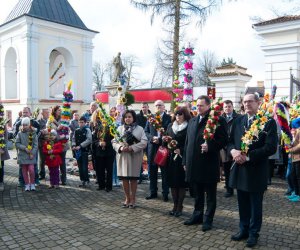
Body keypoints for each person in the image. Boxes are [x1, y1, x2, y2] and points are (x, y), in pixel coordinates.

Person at [228, 93, 277, 248]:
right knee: (242, 203)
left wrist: (248, 157)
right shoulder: (238, 121)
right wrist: (233, 152)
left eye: (250, 101)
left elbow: (270, 147)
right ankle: (243, 229)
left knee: (255, 205)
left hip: (256, 170)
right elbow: (229, 142)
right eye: (245, 101)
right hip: (240, 169)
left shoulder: (268, 122)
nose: (247, 104)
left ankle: (253, 233)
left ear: (258, 103)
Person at [182, 95, 227, 232]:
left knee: (210, 195)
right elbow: (187, 142)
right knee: (197, 193)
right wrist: (185, 160)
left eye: (201, 105)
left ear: (208, 106)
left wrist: (211, 146)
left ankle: (208, 219)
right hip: (193, 164)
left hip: (208, 165)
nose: (198, 107)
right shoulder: (193, 120)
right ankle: (197, 215)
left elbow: (224, 140)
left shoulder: (217, 120)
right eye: (197, 105)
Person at [112, 110, 147, 208]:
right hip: (123, 156)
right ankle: (127, 198)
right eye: (126, 117)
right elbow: (114, 141)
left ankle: (133, 199)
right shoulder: (119, 129)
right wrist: (120, 147)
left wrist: (132, 148)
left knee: (133, 179)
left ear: (133, 118)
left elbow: (144, 142)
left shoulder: (140, 129)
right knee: (124, 179)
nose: (128, 119)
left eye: (130, 117)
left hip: (134, 156)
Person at [163, 107, 191, 217]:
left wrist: (182, 150)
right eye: (176, 114)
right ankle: (174, 205)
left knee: (181, 184)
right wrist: (165, 141)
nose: (178, 117)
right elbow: (166, 143)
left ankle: (180, 206)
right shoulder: (170, 126)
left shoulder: (188, 126)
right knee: (173, 183)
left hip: (182, 159)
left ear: (185, 115)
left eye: (180, 114)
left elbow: (190, 143)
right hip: (171, 159)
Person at [145, 100, 171, 201]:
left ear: (164, 107)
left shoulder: (168, 118)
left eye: (160, 105)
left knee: (165, 172)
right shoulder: (150, 117)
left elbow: (170, 132)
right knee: (152, 172)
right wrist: (152, 138)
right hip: (152, 148)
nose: (158, 107)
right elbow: (146, 131)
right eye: (156, 105)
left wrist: (160, 139)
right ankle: (153, 192)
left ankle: (165, 193)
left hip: (163, 148)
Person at [14, 107, 40, 187]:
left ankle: (35, 181)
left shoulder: (35, 123)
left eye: (26, 112)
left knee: (34, 166)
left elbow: (38, 133)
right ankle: (21, 181)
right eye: (23, 112)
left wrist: (32, 148)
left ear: (30, 113)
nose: (24, 114)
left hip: (33, 149)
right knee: (22, 166)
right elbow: (15, 135)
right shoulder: (18, 123)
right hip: (22, 150)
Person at [91, 110, 115, 192]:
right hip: (99, 152)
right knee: (99, 169)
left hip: (109, 152)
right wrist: (99, 143)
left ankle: (109, 186)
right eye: (102, 118)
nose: (103, 119)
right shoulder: (97, 128)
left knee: (109, 170)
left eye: (105, 117)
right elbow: (94, 139)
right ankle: (101, 185)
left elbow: (114, 139)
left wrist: (106, 143)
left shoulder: (111, 127)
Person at [221, 100, 241, 197]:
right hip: (224, 147)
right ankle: (229, 189)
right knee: (226, 168)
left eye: (229, 106)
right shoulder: (221, 118)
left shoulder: (238, 118)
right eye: (225, 107)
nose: (227, 109)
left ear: (232, 107)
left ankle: (237, 186)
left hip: (234, 146)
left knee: (235, 168)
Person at [72, 116, 92, 187]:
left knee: (84, 167)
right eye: (79, 122)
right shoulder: (76, 130)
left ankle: (86, 180)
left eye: (82, 122)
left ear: (85, 123)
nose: (81, 124)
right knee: (80, 166)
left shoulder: (87, 130)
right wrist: (74, 145)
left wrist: (80, 146)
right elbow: (73, 139)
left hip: (84, 151)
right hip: (78, 152)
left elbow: (89, 140)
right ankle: (82, 180)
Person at [136, 102, 151, 184]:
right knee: (139, 159)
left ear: (148, 107)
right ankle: (140, 176)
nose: (144, 109)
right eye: (142, 107)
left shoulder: (153, 116)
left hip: (149, 140)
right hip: (140, 140)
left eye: (145, 107)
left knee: (150, 158)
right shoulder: (137, 116)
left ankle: (150, 175)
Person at [287, 118, 300, 202]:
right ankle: (296, 192)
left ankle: (298, 194)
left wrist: (290, 150)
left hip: (298, 157)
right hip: (294, 157)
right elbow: (294, 142)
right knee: (293, 175)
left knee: (298, 177)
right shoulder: (296, 131)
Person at [0, 104, 10, 191]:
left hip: (1, 150)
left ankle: (1, 182)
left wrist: (2, 148)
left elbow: (5, 137)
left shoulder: (2, 123)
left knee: (1, 166)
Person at [37, 108, 50, 180]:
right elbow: (37, 134)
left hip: (50, 142)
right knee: (42, 160)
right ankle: (41, 174)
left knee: (50, 158)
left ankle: (51, 173)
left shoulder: (50, 121)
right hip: (42, 143)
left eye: (48, 113)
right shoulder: (38, 122)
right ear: (42, 114)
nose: (48, 114)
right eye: (46, 113)